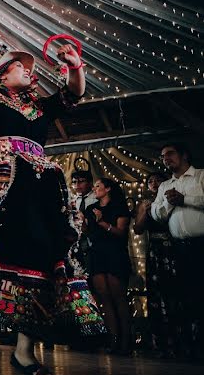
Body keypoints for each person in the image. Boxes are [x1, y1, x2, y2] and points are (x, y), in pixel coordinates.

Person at [0, 25, 105, 375]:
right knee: (12, 249)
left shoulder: (37, 107)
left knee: (48, 255)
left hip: (41, 186)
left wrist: (75, 67)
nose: (28, 70)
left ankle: (23, 351)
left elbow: (72, 95)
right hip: (5, 185)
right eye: (19, 66)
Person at [151, 142, 204, 360]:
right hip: (179, 250)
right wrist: (171, 202)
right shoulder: (164, 186)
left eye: (170, 154)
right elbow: (156, 214)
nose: (166, 159)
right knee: (187, 298)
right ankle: (192, 348)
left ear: (184, 155)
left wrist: (185, 199)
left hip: (202, 245)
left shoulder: (201, 176)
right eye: (163, 156)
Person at [83, 179, 132, 353]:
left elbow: (120, 233)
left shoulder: (119, 206)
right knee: (104, 299)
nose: (94, 188)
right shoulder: (90, 208)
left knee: (118, 297)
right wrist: (82, 222)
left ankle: (126, 342)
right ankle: (113, 340)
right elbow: (87, 232)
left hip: (115, 254)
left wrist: (102, 222)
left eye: (98, 186)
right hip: (96, 254)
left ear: (108, 188)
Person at [133, 171, 176, 355]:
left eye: (158, 180)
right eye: (150, 181)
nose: (154, 183)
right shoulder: (146, 202)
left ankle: (180, 341)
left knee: (175, 292)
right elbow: (138, 229)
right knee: (157, 293)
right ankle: (160, 343)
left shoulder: (173, 196)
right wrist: (145, 210)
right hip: (155, 250)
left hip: (175, 247)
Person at [69, 170, 96, 274]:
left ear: (89, 183)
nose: (77, 185)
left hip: (94, 242)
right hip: (78, 243)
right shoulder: (73, 200)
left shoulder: (96, 198)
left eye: (81, 181)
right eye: (74, 182)